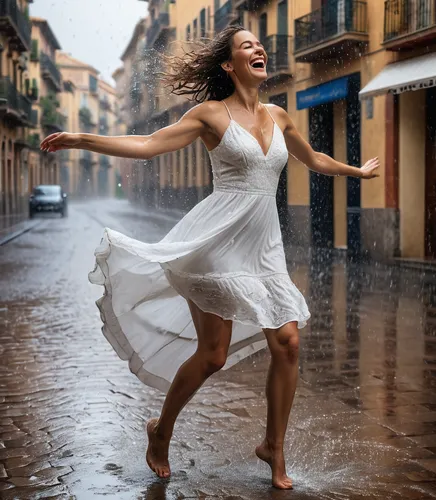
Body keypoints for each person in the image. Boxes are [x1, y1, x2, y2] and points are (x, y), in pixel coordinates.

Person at [40, 25, 379, 490]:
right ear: (229, 64)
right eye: (247, 46)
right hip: (216, 244)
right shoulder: (210, 115)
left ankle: (272, 447)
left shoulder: (280, 116)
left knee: (289, 344)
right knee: (213, 355)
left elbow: (314, 158)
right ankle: (161, 431)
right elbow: (147, 144)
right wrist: (83, 140)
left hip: (265, 249)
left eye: (259, 44)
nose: (259, 48)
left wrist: (355, 170)